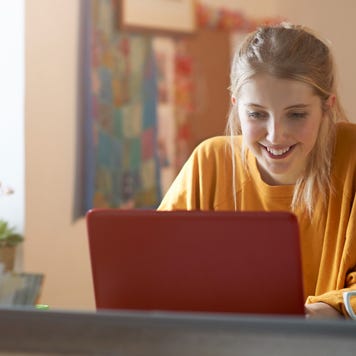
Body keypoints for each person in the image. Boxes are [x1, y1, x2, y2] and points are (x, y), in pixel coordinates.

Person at [158, 23, 356, 319]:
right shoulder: (209, 162)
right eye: (257, 114)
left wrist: (315, 314)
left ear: (327, 107)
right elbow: (156, 271)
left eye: (297, 114)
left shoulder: (351, 157)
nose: (276, 136)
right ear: (237, 106)